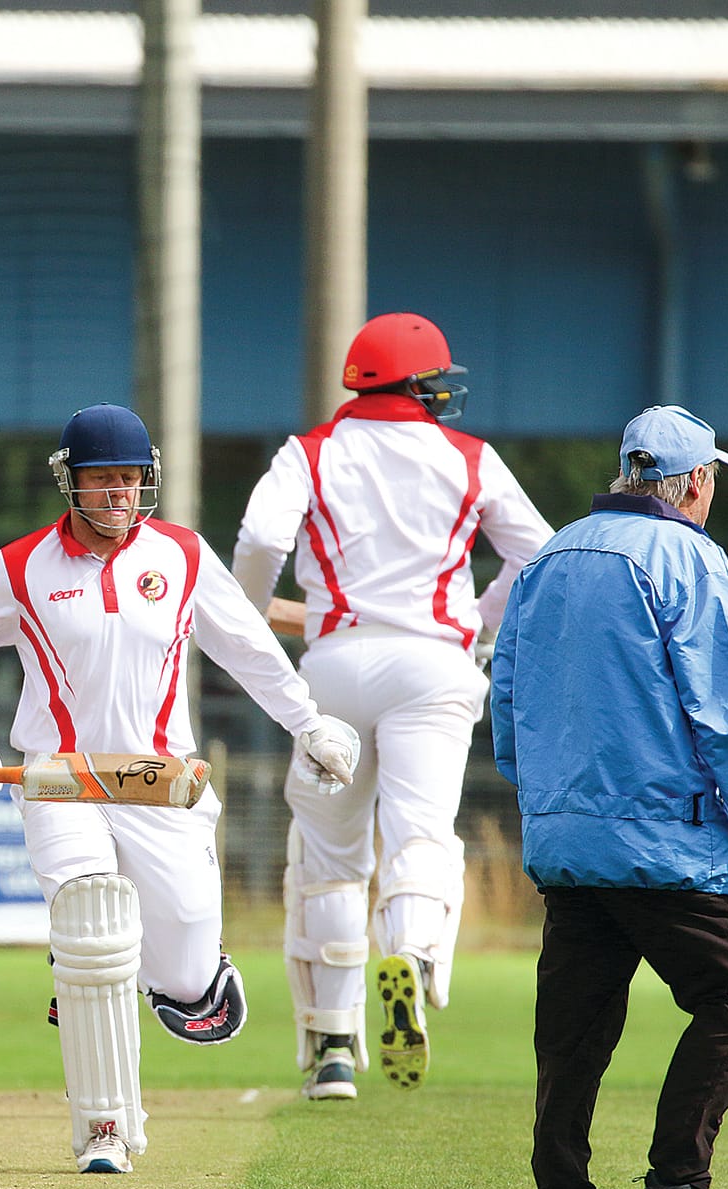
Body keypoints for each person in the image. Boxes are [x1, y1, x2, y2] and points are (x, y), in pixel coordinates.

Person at [0, 403, 359, 1174]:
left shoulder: (181, 556)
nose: (119, 494)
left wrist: (309, 722)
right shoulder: (21, 566)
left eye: (131, 479)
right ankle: (105, 1128)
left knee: (184, 978)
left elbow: (248, 647)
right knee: (92, 932)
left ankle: (178, 974)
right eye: (102, 480)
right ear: (70, 483)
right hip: (59, 780)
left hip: (161, 783)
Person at [491, 405, 728, 1189]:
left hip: (567, 839)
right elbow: (726, 716)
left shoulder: (550, 553)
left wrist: (550, 799)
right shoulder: (690, 558)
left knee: (575, 1033)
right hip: (664, 839)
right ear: (697, 481)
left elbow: (506, 700)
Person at [229, 312, 554, 1101]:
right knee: (420, 833)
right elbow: (540, 553)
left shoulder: (309, 452)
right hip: (434, 665)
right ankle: (408, 955)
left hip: (336, 663)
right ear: (420, 384)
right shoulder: (470, 457)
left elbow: (262, 536)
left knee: (329, 855)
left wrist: (246, 619)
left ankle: (333, 1048)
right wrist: (477, 619)